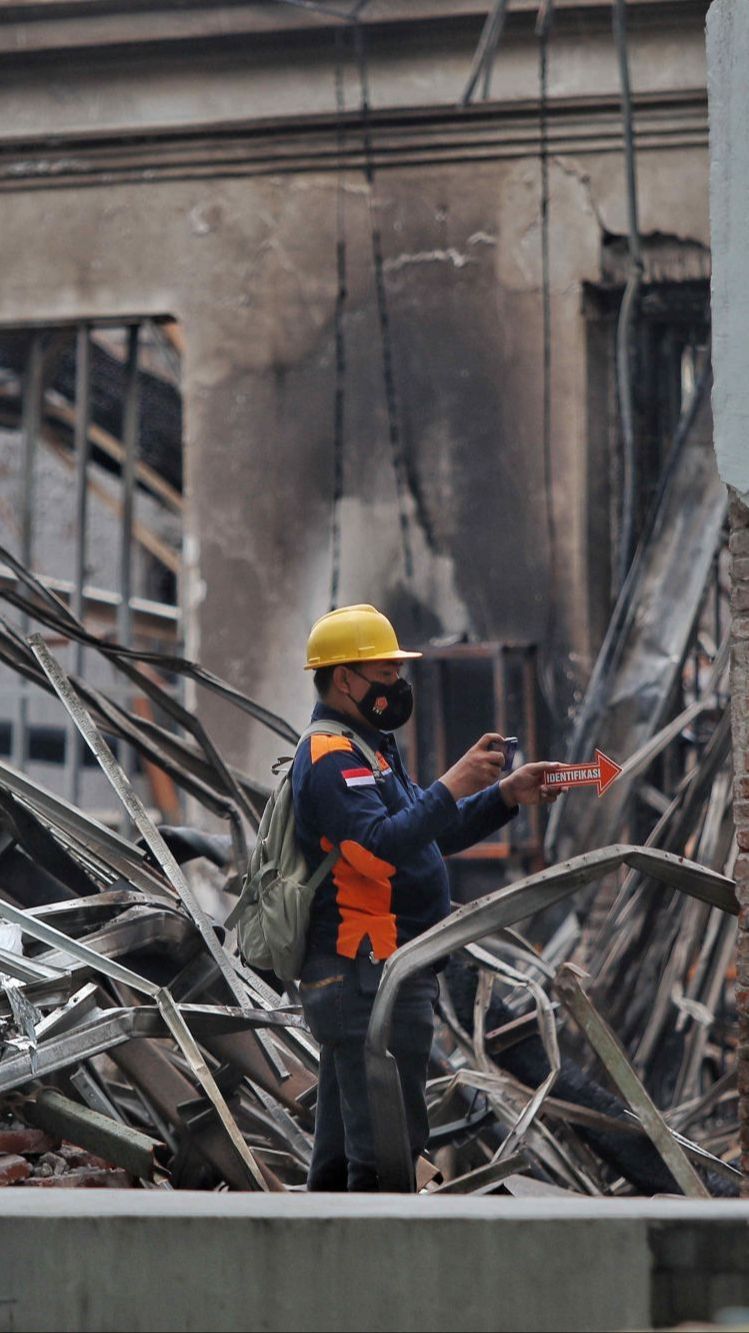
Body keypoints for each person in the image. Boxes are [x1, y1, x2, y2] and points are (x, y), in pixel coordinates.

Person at [293, 603, 560, 1191]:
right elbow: (377, 848)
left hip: (383, 970)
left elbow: (426, 835)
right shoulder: (330, 757)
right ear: (345, 678)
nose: (397, 685)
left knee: (341, 1158)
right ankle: (379, 1275)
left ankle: (323, 1271)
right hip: (365, 972)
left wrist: (504, 796)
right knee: (387, 1156)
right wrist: (452, 783)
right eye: (385, 673)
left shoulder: (372, 747)